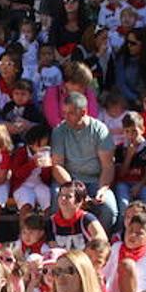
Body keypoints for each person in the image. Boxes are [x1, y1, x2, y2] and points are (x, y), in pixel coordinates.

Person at [50, 93, 117, 234]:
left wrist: (102, 189)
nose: (66, 117)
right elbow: (57, 166)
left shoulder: (100, 130)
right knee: (59, 200)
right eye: (64, 113)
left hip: (95, 181)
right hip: (69, 180)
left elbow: (107, 165)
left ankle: (99, 244)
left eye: (71, 113)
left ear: (83, 112)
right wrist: (74, 190)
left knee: (108, 208)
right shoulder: (59, 131)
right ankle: (62, 239)